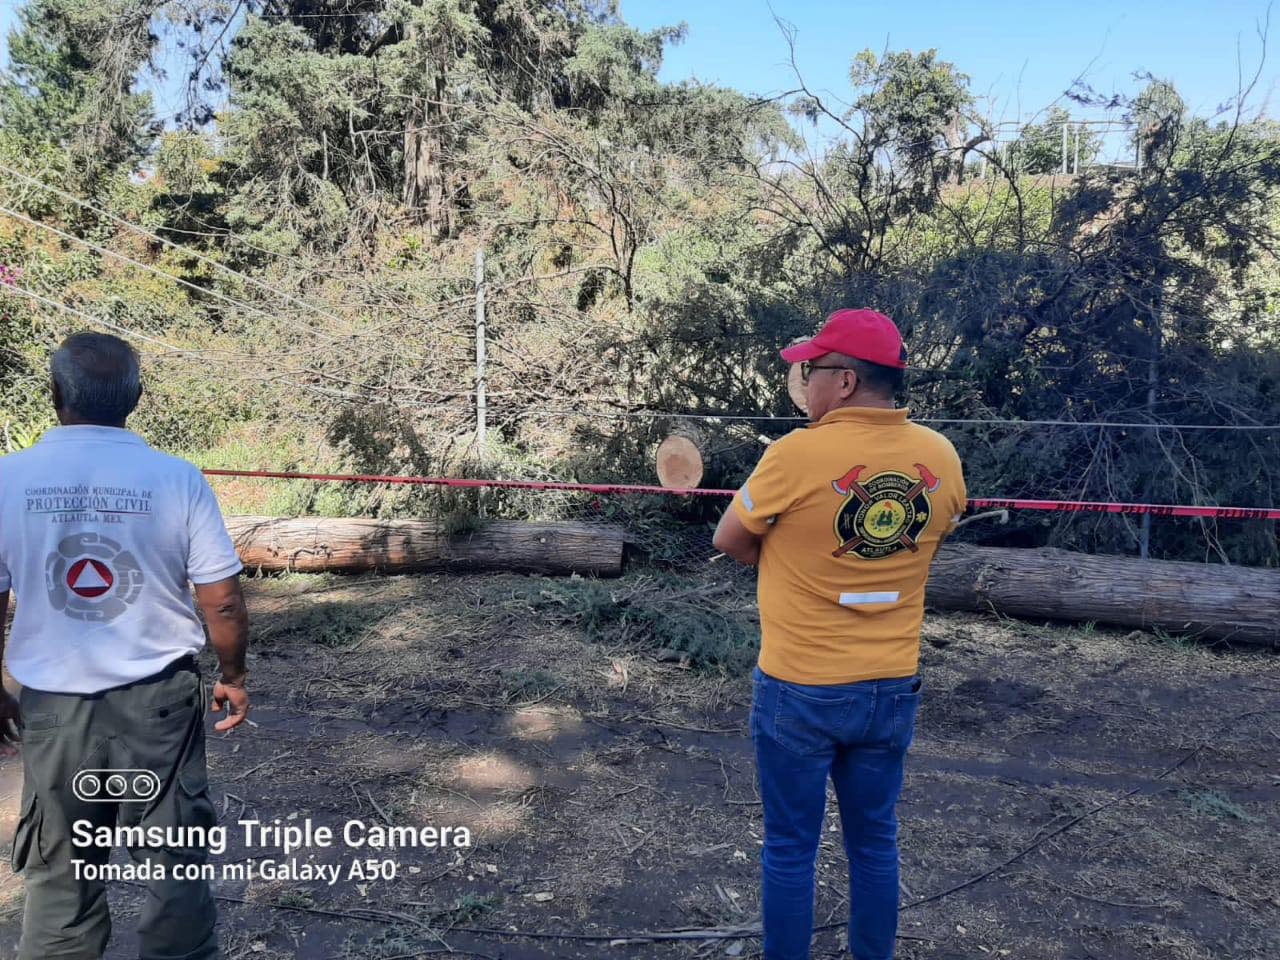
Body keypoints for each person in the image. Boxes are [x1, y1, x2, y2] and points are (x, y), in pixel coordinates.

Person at [713, 309, 966, 960]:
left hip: (801, 686)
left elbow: (730, 539)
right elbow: (931, 536)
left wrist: (797, 560)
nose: (804, 383)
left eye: (811, 370)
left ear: (846, 382)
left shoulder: (796, 455)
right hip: (889, 687)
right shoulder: (940, 455)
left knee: (791, 849)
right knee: (876, 840)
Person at [0, 331, 250, 960]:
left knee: (62, 868)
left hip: (53, 707)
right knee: (175, 863)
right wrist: (234, 674)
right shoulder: (177, 479)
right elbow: (220, 598)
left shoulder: (8, 480)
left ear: (54, 393)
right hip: (159, 705)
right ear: (136, 395)